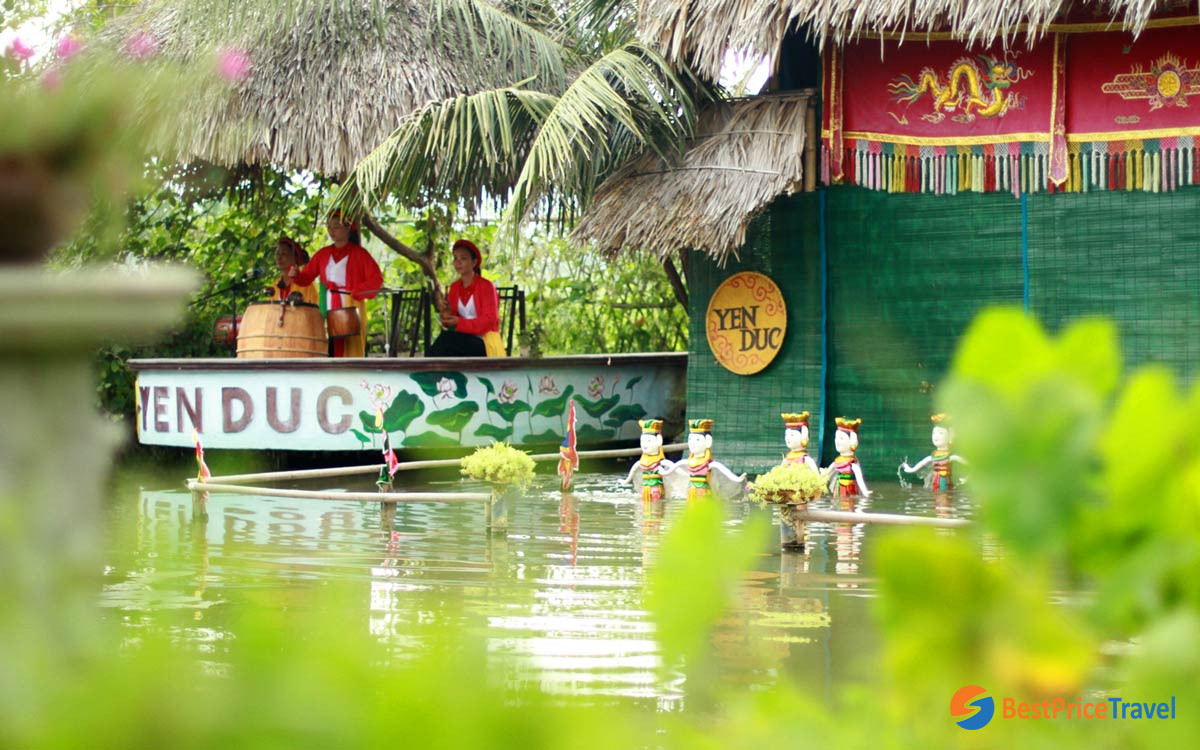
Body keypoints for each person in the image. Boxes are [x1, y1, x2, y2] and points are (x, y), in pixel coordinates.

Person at [289, 211, 383, 357]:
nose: (332, 230)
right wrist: (297, 275)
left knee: (350, 347)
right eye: (329, 226)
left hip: (350, 304)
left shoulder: (360, 254)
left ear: (348, 229)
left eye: (336, 226)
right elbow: (306, 277)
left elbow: (376, 279)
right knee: (328, 344)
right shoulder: (323, 254)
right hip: (327, 303)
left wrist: (358, 290)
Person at [428, 238, 505, 357]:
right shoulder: (454, 287)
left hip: (485, 342)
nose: (458, 262)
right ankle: (435, 370)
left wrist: (459, 323)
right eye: (455, 258)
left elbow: (488, 321)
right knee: (447, 341)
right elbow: (450, 323)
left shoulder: (487, 287)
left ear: (474, 263)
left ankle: (427, 368)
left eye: (463, 258)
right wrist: (446, 314)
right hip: (461, 341)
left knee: (447, 340)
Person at [273, 236, 319, 306]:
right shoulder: (275, 284)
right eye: (277, 253)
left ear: (295, 258)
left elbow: (314, 310)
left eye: (283, 254)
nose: (279, 257)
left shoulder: (306, 283)